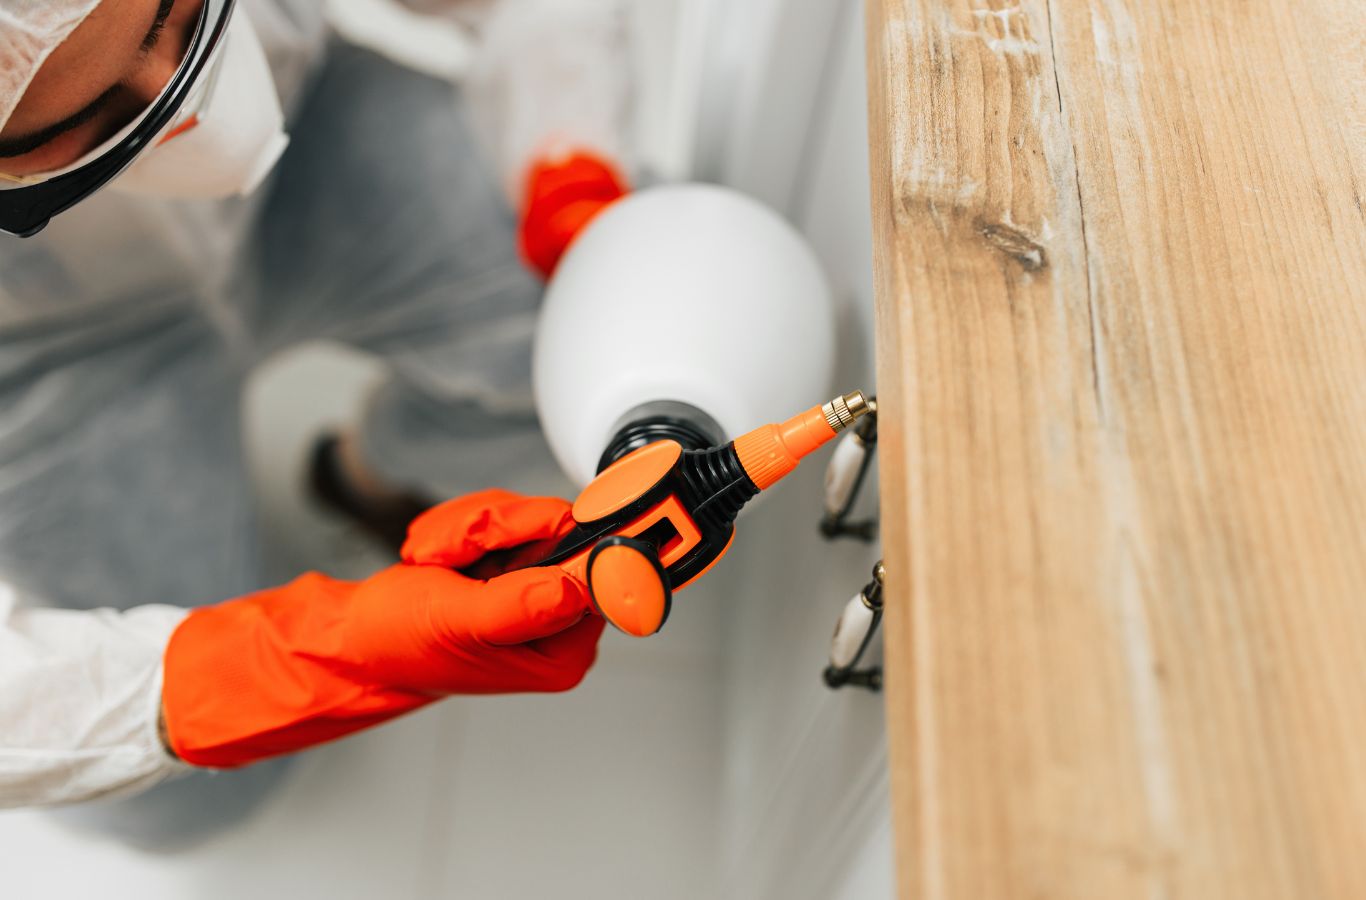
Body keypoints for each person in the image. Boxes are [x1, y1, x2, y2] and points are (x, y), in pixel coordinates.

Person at [0, 0, 633, 820]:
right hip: (46, 352)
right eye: (95, 112)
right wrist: (251, 669)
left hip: (307, 140)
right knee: (185, 807)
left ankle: (368, 480)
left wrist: (568, 154)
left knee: (571, 328)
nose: (190, 116)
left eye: (183, 18)